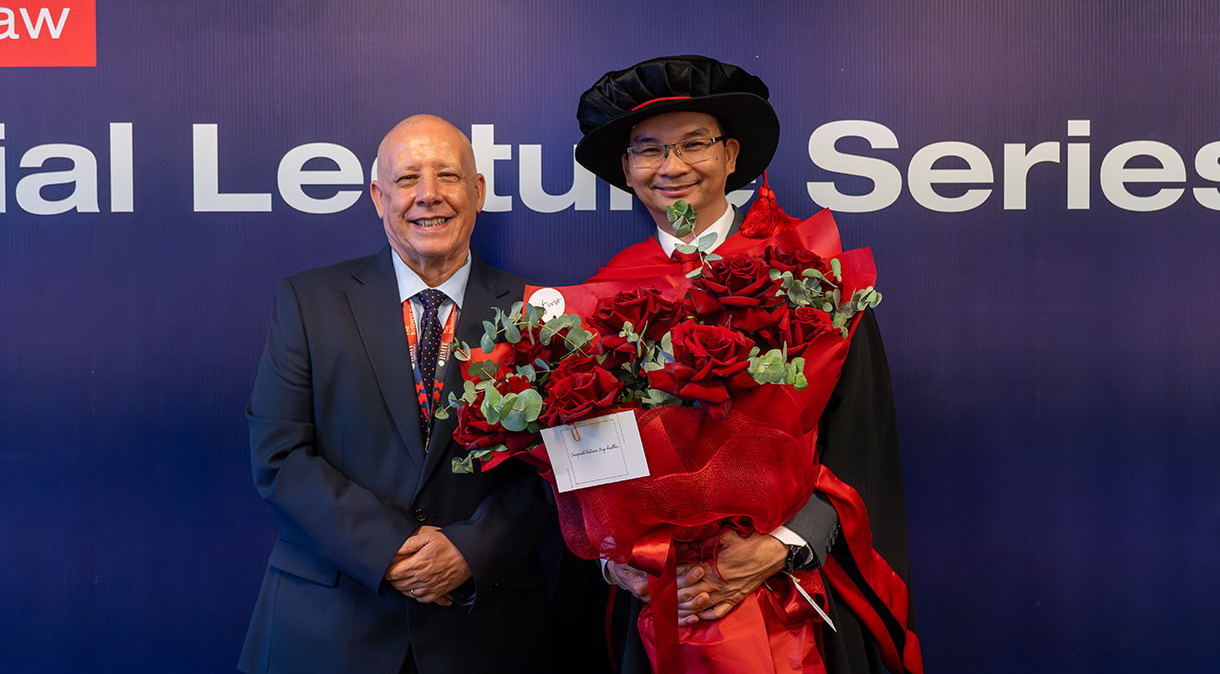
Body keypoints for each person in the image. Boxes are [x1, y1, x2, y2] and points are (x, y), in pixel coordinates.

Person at [566, 55, 922, 673]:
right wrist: (620, 557)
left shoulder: (807, 277)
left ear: (732, 155)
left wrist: (779, 546)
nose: (672, 168)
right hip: (663, 605)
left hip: (795, 603)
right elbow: (591, 459)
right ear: (626, 169)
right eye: (648, 150)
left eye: (693, 144)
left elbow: (860, 444)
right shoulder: (601, 300)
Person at [239, 114, 556, 674]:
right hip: (329, 624)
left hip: (485, 629)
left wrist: (470, 549)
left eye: (447, 177)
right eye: (407, 179)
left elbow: (562, 466)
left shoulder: (540, 312)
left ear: (478, 191)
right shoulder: (308, 301)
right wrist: (391, 549)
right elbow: (280, 457)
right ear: (378, 196)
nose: (428, 196)